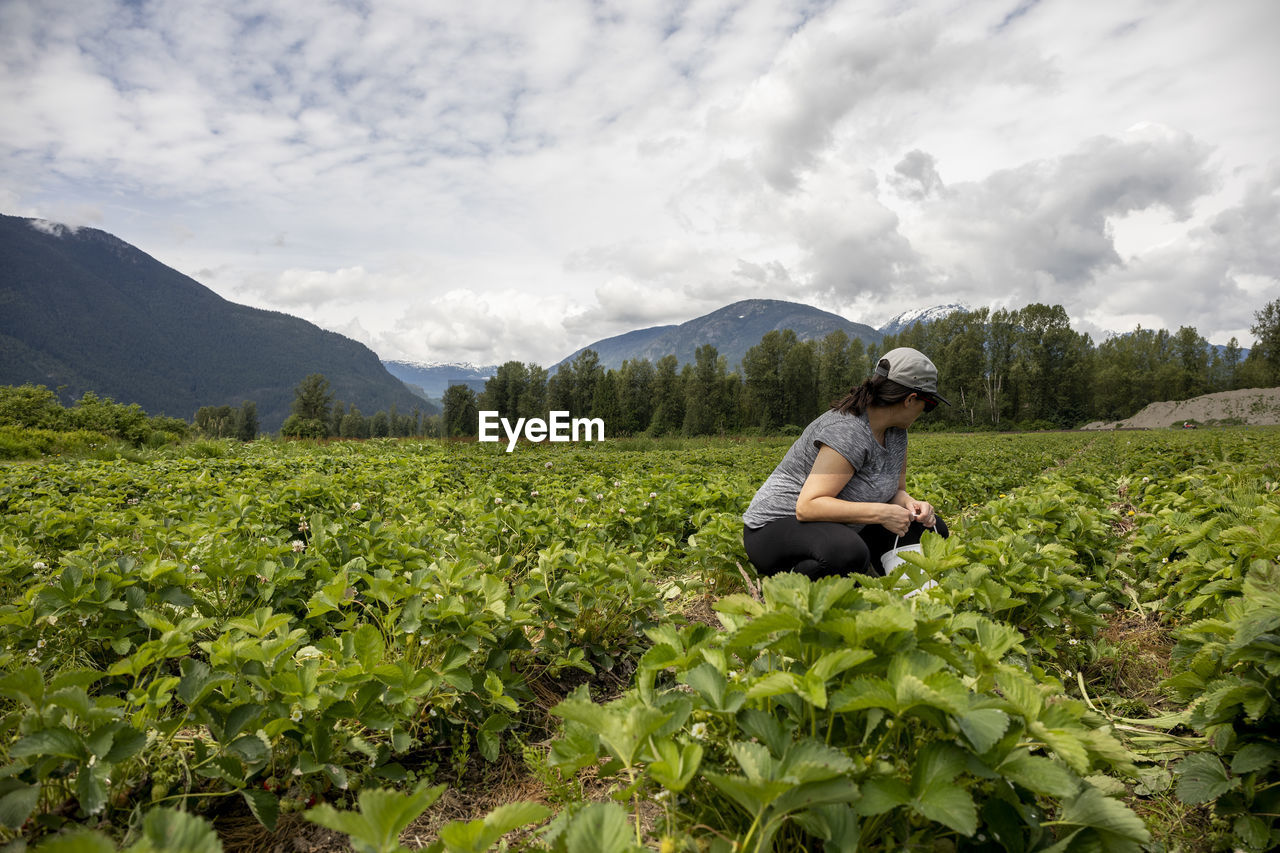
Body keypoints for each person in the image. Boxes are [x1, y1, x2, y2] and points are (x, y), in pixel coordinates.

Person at [742, 346, 950, 580]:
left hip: (839, 524)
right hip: (776, 527)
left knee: (930, 531)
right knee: (846, 552)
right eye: (929, 404)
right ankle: (789, 588)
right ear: (911, 399)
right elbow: (808, 506)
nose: (926, 411)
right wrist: (881, 514)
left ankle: (901, 587)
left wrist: (912, 504)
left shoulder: (897, 434)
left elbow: (896, 491)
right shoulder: (848, 430)